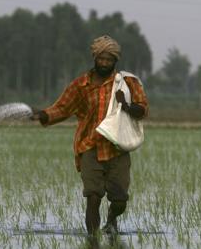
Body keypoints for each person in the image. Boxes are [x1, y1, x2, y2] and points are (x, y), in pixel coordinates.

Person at [31, 35, 148, 235]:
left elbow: (143, 110)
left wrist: (125, 105)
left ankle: (111, 220)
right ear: (95, 58)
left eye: (109, 60)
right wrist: (43, 115)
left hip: (117, 148)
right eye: (101, 59)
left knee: (119, 199)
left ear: (115, 62)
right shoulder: (81, 85)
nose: (104, 63)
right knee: (93, 196)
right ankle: (92, 242)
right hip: (89, 146)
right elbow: (63, 108)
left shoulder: (126, 83)